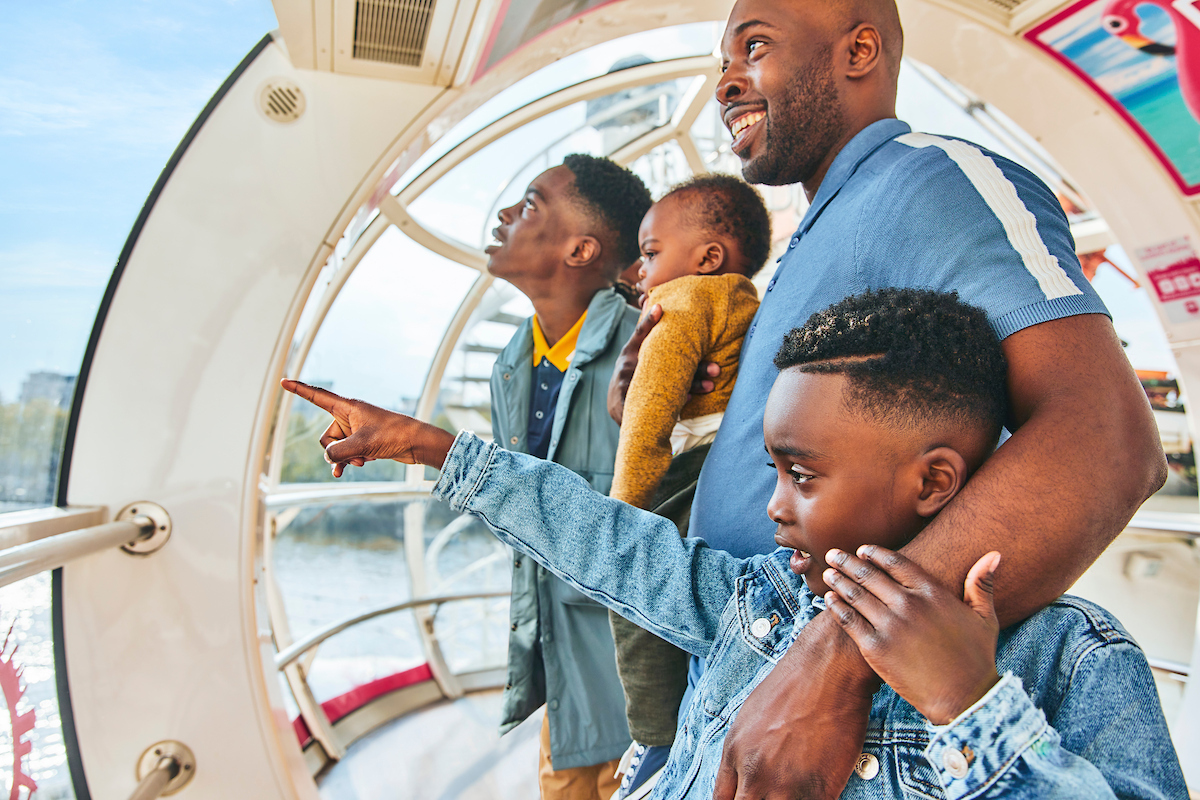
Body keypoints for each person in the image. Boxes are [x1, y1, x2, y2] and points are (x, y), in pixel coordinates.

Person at [280, 288, 1186, 799]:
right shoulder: (761, 600)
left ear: (933, 482)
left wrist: (970, 702)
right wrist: (434, 448)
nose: (776, 508)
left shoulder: (1070, 659)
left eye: (803, 474)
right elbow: (608, 543)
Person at [603, 0, 1166, 795]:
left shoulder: (937, 179)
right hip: (738, 680)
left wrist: (832, 666)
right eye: (720, 62)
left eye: (753, 47)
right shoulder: (815, 230)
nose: (725, 82)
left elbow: (1106, 438)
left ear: (859, 49)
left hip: (843, 727)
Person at [481, 153, 651, 800]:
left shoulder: (649, 353)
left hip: (644, 699)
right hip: (569, 694)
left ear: (582, 249)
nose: (504, 216)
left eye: (528, 205)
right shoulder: (512, 363)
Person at [607, 174, 769, 800]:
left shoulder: (678, 305)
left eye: (650, 253)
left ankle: (655, 738)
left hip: (681, 475)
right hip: (735, 474)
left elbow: (646, 419)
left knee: (637, 599)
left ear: (706, 258)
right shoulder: (749, 302)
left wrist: (622, 516)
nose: (640, 271)